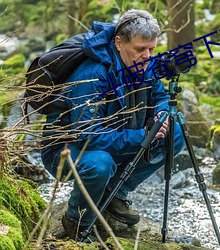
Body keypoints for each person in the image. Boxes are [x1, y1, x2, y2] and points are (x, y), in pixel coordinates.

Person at [41, 9, 185, 241]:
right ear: (119, 43)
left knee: (175, 132)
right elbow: (87, 135)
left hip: (117, 136)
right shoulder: (92, 75)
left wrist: (161, 114)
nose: (148, 56)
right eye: (140, 49)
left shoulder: (143, 63)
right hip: (67, 150)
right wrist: (142, 135)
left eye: (152, 49)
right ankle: (76, 221)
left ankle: (115, 193)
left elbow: (159, 96)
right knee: (100, 164)